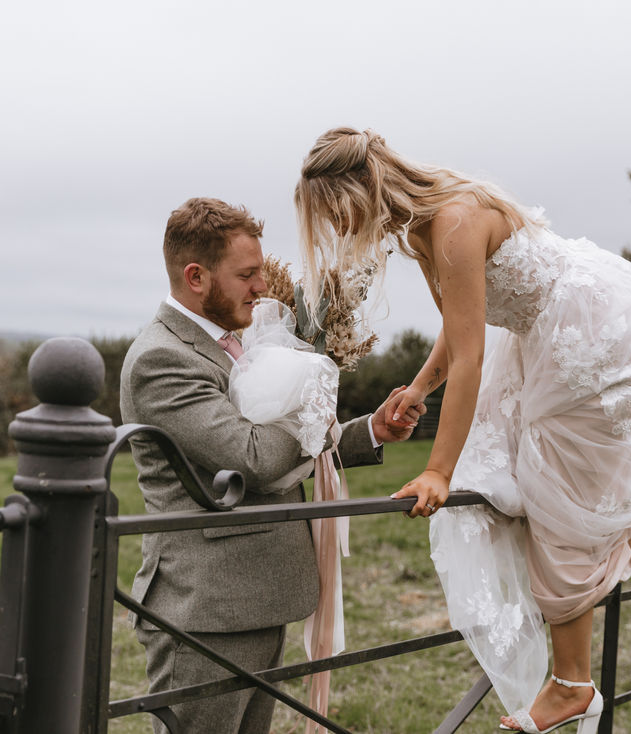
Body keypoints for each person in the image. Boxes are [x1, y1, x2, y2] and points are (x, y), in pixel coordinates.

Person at [294, 128, 631, 734]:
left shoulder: (452, 223)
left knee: (557, 487)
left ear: (363, 188)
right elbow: (463, 329)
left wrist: (438, 469)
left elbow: (471, 358)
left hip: (585, 327)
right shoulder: (425, 224)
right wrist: (418, 389)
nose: (338, 227)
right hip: (554, 323)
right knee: (595, 458)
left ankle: (573, 686)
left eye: (336, 212)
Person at [120, 197, 419, 734]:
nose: (262, 286)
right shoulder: (162, 359)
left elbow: (288, 445)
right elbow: (253, 457)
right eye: (247, 274)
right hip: (207, 609)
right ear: (195, 276)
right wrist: (310, 400)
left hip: (258, 593)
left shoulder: (241, 338)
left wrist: (369, 430)